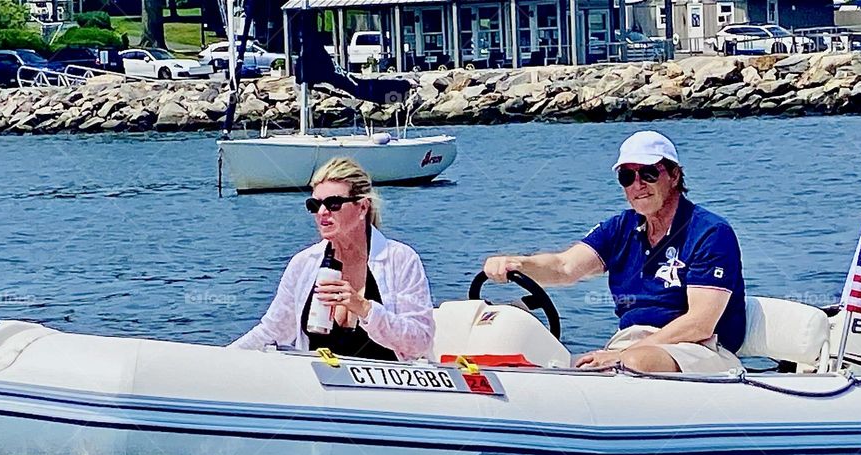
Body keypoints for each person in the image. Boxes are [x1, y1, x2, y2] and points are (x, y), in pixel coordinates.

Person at [483, 130, 746, 373]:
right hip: (631, 342)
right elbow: (564, 267)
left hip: (701, 347)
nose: (638, 184)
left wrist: (622, 355)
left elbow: (700, 323)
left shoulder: (710, 232)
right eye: (627, 177)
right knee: (552, 361)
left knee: (634, 363)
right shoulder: (620, 227)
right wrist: (517, 264)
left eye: (649, 173)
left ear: (674, 175)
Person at [231, 157, 435, 361]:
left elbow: (420, 343)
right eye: (314, 205)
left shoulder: (400, 260)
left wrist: (364, 308)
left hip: (388, 387)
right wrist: (219, 358)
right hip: (321, 387)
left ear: (362, 207)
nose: (322, 212)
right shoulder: (304, 263)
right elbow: (272, 332)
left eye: (333, 204)